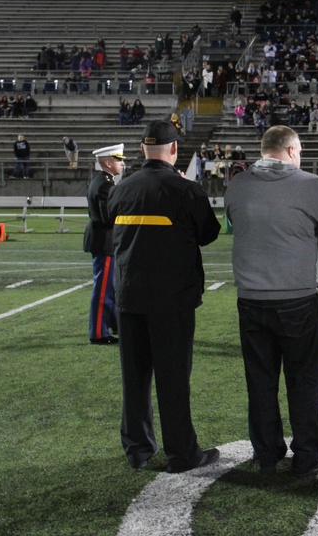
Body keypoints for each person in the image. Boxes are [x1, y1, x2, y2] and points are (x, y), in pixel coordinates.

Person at [225, 126, 318, 477]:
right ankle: (307, 455)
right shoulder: (312, 185)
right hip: (298, 299)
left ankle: (266, 454)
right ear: (292, 151)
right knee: (305, 380)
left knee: (260, 382)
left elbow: (234, 221)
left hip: (250, 300)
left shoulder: (237, 184)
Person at [107, 120, 222, 473]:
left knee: (134, 377)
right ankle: (182, 453)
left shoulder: (120, 189)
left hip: (129, 296)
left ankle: (137, 449)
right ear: (174, 150)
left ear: (143, 149)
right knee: (173, 378)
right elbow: (208, 235)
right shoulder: (186, 190)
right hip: (172, 300)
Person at [83, 144, 126, 345]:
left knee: (110, 287)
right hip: (105, 240)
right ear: (108, 163)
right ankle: (99, 333)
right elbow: (109, 217)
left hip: (103, 239)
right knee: (103, 289)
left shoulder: (102, 181)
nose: (122, 163)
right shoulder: (105, 185)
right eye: (118, 160)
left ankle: (112, 324)